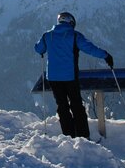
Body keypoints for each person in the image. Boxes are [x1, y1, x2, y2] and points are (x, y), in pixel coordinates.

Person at [34, 11, 113, 139]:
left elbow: (39, 49)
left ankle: (68, 137)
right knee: (76, 106)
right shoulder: (75, 36)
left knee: (62, 106)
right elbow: (90, 48)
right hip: (70, 77)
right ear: (71, 22)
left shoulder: (47, 36)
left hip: (53, 78)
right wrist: (106, 55)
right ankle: (83, 137)